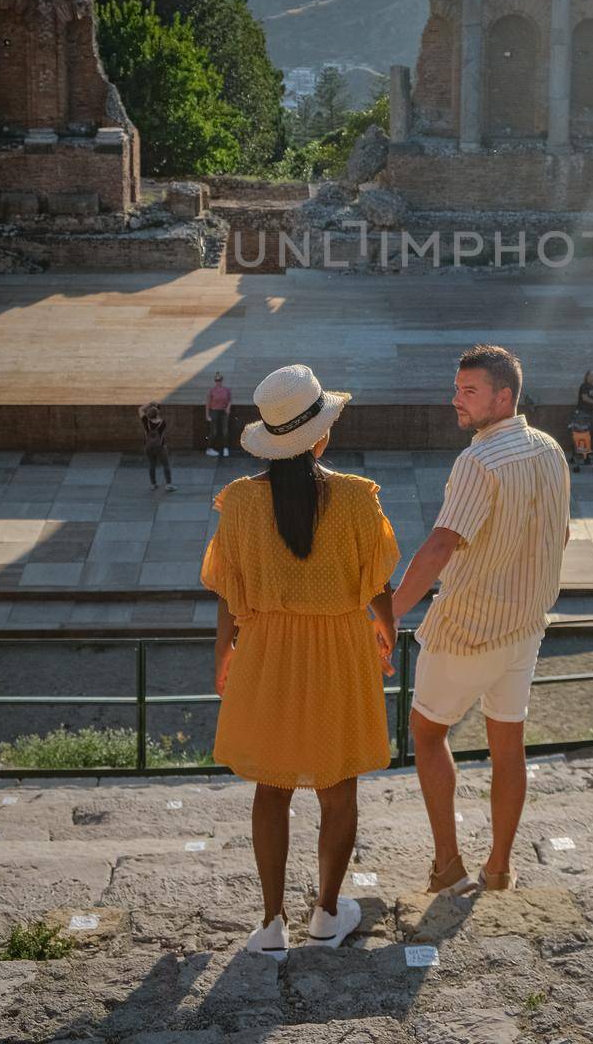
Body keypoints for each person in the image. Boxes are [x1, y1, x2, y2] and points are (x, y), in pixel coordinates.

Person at [201, 363, 398, 961]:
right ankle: (328, 913)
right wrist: (387, 635)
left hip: (265, 652)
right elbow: (379, 582)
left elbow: (227, 591)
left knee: (272, 785)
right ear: (321, 435)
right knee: (338, 787)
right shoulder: (359, 499)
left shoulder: (237, 503)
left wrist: (224, 654)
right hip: (338, 648)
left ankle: (269, 923)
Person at [392, 344, 571, 895]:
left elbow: (441, 545)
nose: (457, 401)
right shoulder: (550, 449)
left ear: (504, 396)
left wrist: (387, 614)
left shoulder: (478, 461)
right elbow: (561, 535)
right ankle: (499, 869)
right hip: (526, 628)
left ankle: (448, 866)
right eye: (457, 390)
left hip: (468, 629)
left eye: (470, 392)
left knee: (426, 732)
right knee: (507, 746)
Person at [138, 401, 175, 492]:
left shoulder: (146, 422)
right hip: (160, 447)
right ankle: (168, 485)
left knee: (152, 465)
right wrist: (156, 407)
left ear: (148, 415)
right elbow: (158, 415)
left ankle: (153, 484)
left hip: (148, 447)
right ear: (157, 414)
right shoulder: (162, 423)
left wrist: (150, 403)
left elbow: (140, 409)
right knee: (165, 465)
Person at [205, 370, 233, 458]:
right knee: (214, 431)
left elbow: (230, 400)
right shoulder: (212, 391)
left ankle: (226, 448)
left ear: (221, 381)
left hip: (224, 412)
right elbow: (208, 403)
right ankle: (209, 449)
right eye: (216, 380)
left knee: (225, 431)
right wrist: (207, 415)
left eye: (219, 380)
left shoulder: (226, 390)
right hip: (214, 411)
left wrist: (228, 407)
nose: (218, 382)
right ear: (215, 381)